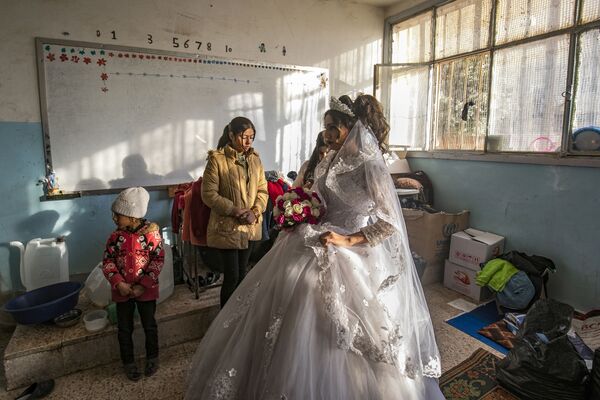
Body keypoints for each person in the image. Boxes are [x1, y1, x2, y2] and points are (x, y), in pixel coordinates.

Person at [184, 96, 444, 399]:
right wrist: (299, 210)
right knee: (283, 291)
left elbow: (389, 223)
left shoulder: (370, 166)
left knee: (323, 309)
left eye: (333, 128)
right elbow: (319, 200)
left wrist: (347, 239)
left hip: (350, 249)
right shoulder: (330, 159)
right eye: (326, 128)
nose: (327, 135)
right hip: (315, 237)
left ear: (352, 127)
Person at [202, 116, 269, 307]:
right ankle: (224, 325)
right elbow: (209, 194)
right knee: (232, 277)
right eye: (243, 136)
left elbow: (263, 190)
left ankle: (238, 321)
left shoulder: (255, 159)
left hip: (249, 225)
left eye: (251, 137)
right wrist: (234, 210)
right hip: (228, 227)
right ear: (231, 135)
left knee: (243, 276)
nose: (248, 142)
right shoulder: (217, 160)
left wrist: (255, 211)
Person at [102, 187, 164, 381]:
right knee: (124, 328)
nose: (114, 218)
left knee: (149, 325)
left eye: (118, 215)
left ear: (132, 217)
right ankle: (128, 362)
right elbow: (107, 261)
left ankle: (152, 357)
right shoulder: (115, 237)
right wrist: (118, 283)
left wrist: (143, 285)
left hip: (146, 291)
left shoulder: (152, 236)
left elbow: (157, 261)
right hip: (122, 292)